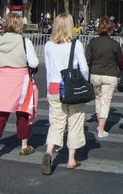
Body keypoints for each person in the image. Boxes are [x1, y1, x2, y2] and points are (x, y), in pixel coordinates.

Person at [0, 13, 39, 163]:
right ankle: (24, 145)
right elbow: (34, 63)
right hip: (19, 78)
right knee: (23, 111)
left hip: (1, 78)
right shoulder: (24, 41)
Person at [42, 13, 89, 174]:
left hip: (54, 86)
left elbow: (48, 69)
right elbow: (84, 68)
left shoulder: (48, 45)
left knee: (56, 122)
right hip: (71, 88)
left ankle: (49, 151)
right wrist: (85, 82)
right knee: (75, 122)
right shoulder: (76, 45)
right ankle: (71, 159)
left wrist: (49, 86)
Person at [86, 16, 123, 138]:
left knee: (98, 99)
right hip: (109, 74)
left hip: (95, 74)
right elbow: (120, 62)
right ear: (110, 29)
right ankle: (101, 129)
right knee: (105, 101)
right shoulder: (115, 44)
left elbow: (87, 59)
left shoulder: (93, 43)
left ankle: (99, 124)